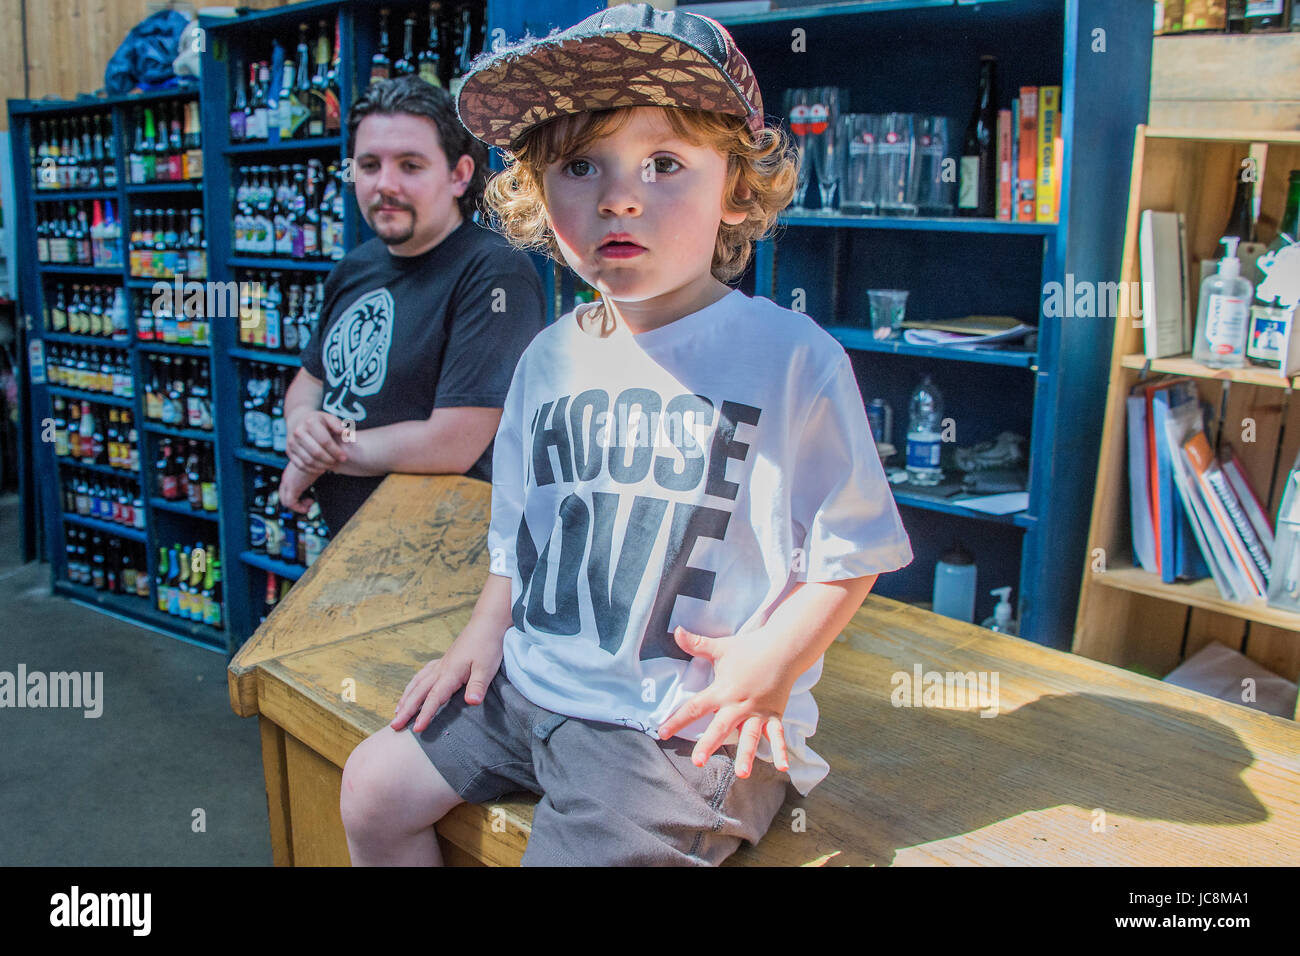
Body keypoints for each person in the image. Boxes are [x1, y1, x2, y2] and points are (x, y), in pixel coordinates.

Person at [339, 3, 913, 866]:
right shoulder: (547, 357)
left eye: (666, 162)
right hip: (531, 686)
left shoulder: (792, 358)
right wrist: (482, 632)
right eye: (579, 164)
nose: (619, 195)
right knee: (371, 790)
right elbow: (517, 532)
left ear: (736, 186)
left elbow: (853, 548)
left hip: (681, 723)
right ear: (537, 192)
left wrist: (773, 665)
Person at [279, 76, 547, 531]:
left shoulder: (495, 273)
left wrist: (325, 456)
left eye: (410, 165)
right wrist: (304, 427)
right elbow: (310, 380)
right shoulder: (356, 267)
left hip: (443, 554)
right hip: (352, 544)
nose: (385, 184)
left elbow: (453, 441)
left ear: (459, 175)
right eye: (368, 165)